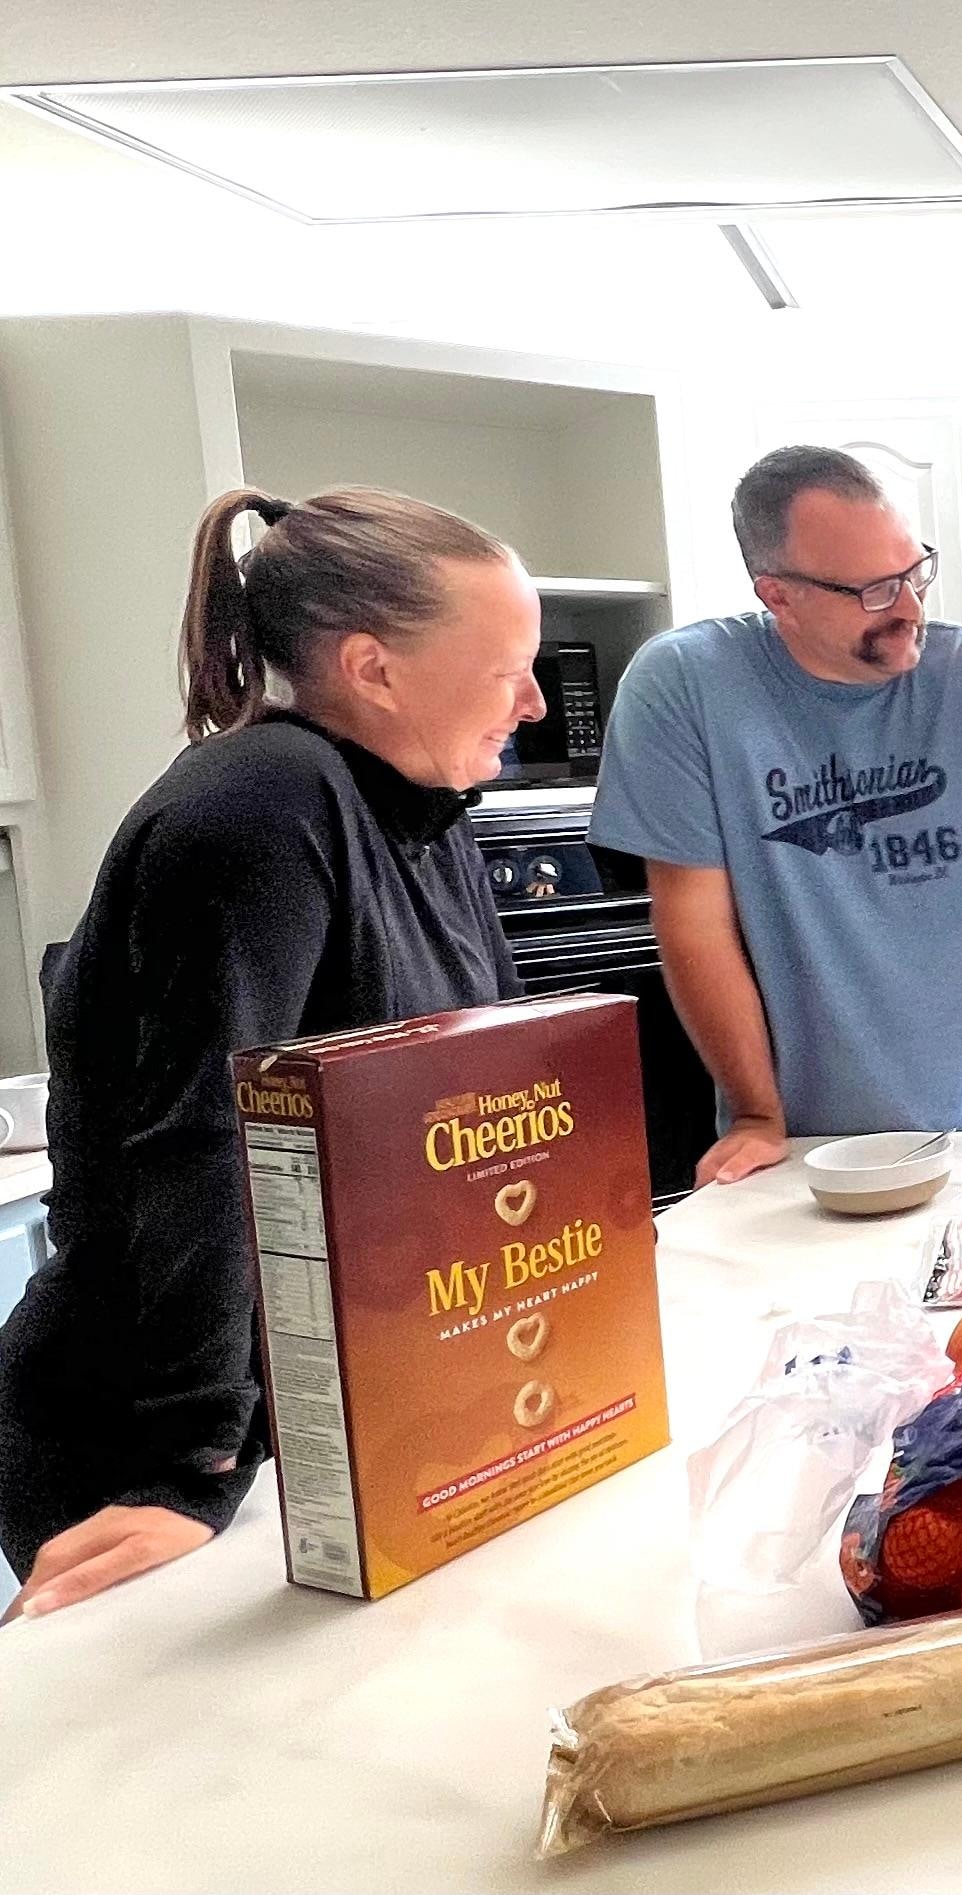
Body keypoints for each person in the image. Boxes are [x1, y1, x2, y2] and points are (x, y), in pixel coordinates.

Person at [1, 487, 541, 1617]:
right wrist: (186, 1465)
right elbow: (199, 1134)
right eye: (506, 671)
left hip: (328, 1394)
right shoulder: (261, 803)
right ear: (373, 668)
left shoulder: (425, 813)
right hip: (168, 1424)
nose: (533, 702)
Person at [590, 447, 962, 1183]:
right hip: (790, 1150)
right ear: (778, 594)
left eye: (911, 571)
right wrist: (754, 1113)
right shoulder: (683, 686)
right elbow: (694, 923)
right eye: (870, 590)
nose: (907, 607)